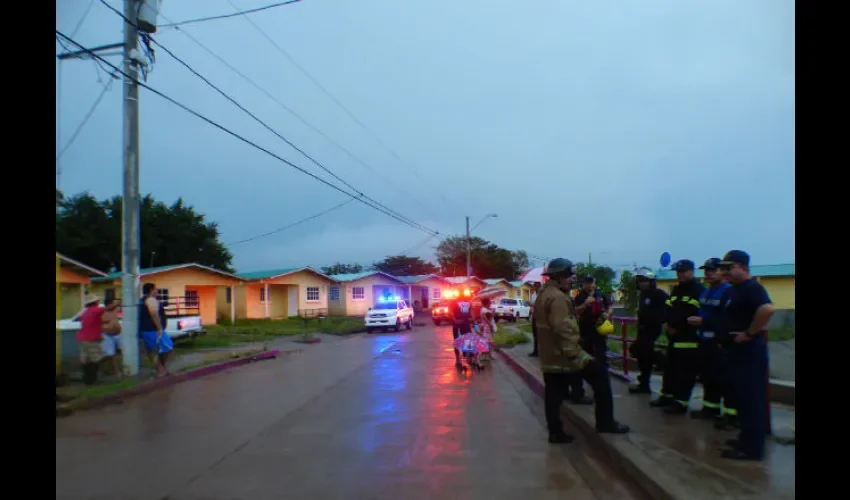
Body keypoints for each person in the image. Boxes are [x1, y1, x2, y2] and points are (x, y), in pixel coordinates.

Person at [534, 258, 629, 444]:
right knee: (601, 379)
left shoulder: (544, 294)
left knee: (554, 394)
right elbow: (564, 329)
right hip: (565, 355)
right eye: (569, 275)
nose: (572, 279)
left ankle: (555, 432)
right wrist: (578, 356)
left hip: (550, 355)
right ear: (559, 276)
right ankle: (605, 423)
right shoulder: (558, 298)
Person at [717, 250, 774, 461]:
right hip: (734, 351)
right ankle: (745, 437)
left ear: (743, 267)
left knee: (752, 400)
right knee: (742, 398)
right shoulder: (734, 290)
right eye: (723, 269)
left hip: (748, 352)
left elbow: (767, 309)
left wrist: (749, 333)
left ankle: (752, 449)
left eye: (729, 268)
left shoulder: (752, 288)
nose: (725, 273)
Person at [656, 259, 705, 414]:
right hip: (673, 338)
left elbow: (691, 313)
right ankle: (666, 396)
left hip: (689, 340)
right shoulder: (676, 290)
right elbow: (668, 308)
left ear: (692, 271)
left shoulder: (698, 290)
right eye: (678, 272)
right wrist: (667, 323)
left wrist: (675, 324)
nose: (680, 275)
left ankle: (681, 403)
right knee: (670, 370)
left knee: (685, 373)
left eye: (683, 271)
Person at [686, 258, 731, 420]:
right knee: (708, 377)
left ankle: (730, 416)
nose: (709, 274)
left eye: (713, 270)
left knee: (723, 379)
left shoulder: (728, 291)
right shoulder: (706, 291)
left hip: (720, 343)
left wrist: (704, 321)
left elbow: (728, 319)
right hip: (704, 341)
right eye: (707, 271)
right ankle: (710, 409)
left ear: (722, 272)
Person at [629, 270, 669, 394]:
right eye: (640, 281)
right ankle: (644, 383)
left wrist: (664, 320)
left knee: (647, 355)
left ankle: (662, 361)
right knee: (638, 353)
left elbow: (670, 306)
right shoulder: (643, 295)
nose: (642, 283)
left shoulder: (659, 294)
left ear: (651, 282)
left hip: (652, 330)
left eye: (645, 280)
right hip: (642, 330)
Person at [140, 283, 175, 378]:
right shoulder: (150, 300)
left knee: (160, 350)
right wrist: (159, 328)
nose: (157, 291)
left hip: (151, 330)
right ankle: (160, 370)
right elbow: (154, 314)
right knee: (166, 348)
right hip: (152, 330)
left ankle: (162, 368)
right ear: (151, 290)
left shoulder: (148, 300)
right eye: (155, 289)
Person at [77, 295, 107, 385]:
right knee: (96, 359)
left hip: (82, 338)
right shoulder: (96, 310)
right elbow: (106, 309)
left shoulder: (85, 312)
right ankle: (92, 379)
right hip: (92, 339)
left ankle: (87, 379)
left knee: (85, 359)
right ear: (95, 302)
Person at [448, 288, 474, 369]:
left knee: (468, 340)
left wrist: (472, 319)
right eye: (461, 292)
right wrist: (455, 320)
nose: (462, 294)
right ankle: (458, 360)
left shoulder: (468, 301)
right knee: (457, 341)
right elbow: (450, 311)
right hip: (457, 325)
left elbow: (471, 311)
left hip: (466, 324)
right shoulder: (453, 302)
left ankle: (469, 357)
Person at [100, 298, 124, 380]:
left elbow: (120, 306)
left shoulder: (114, 310)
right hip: (106, 334)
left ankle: (102, 366)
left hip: (116, 334)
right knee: (111, 354)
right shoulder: (102, 312)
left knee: (119, 351)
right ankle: (117, 372)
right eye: (112, 304)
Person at [529, 282, 541, 357]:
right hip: (534, 316)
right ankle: (535, 351)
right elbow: (531, 304)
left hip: (540, 317)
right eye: (535, 286)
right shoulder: (533, 295)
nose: (536, 287)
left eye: (537, 286)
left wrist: (535, 305)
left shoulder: (542, 295)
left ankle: (541, 351)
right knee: (535, 334)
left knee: (541, 334)